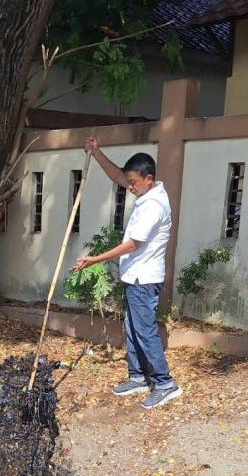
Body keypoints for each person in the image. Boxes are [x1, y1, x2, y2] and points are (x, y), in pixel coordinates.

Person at [73, 138, 182, 409]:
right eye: (129, 182)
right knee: (134, 328)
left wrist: (94, 259)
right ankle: (139, 377)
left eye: (133, 183)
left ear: (149, 178)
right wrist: (97, 152)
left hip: (144, 280)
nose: (129, 187)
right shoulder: (146, 192)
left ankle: (165, 383)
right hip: (135, 277)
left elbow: (133, 244)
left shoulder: (155, 205)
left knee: (145, 331)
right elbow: (118, 175)